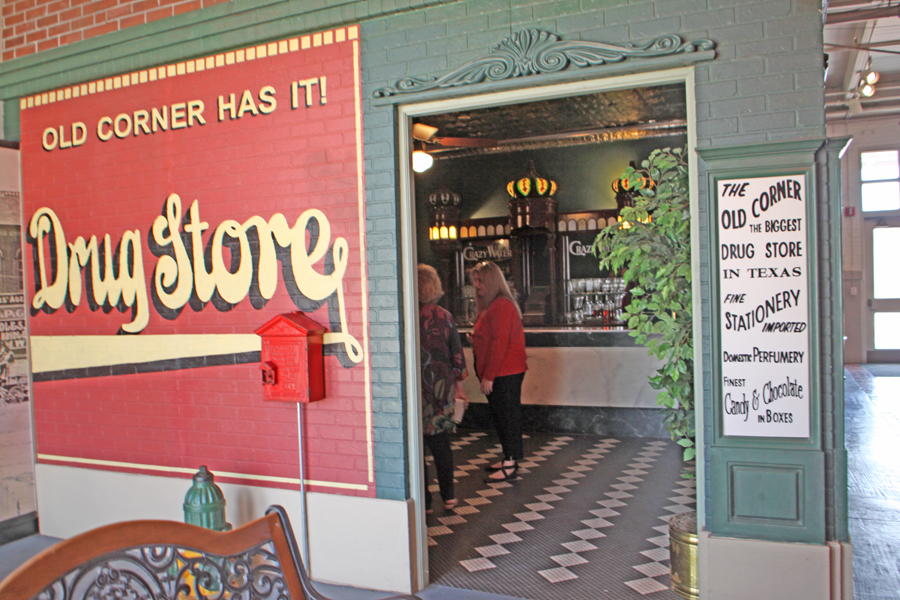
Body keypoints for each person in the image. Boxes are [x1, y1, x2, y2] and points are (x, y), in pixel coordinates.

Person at [470, 260, 527, 482]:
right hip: (501, 371)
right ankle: (507, 458)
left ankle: (511, 463)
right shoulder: (492, 305)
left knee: (507, 417)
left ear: (492, 281)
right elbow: (492, 337)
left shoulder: (501, 305)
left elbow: (500, 344)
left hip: (505, 371)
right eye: (475, 280)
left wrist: (489, 377)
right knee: (501, 416)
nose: (477, 285)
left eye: (480, 281)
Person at [418, 264, 468, 513]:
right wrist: (459, 388)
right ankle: (448, 496)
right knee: (441, 445)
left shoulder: (408, 316)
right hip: (442, 388)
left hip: (417, 388)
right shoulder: (446, 317)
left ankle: (425, 502)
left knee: (418, 450)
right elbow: (457, 355)